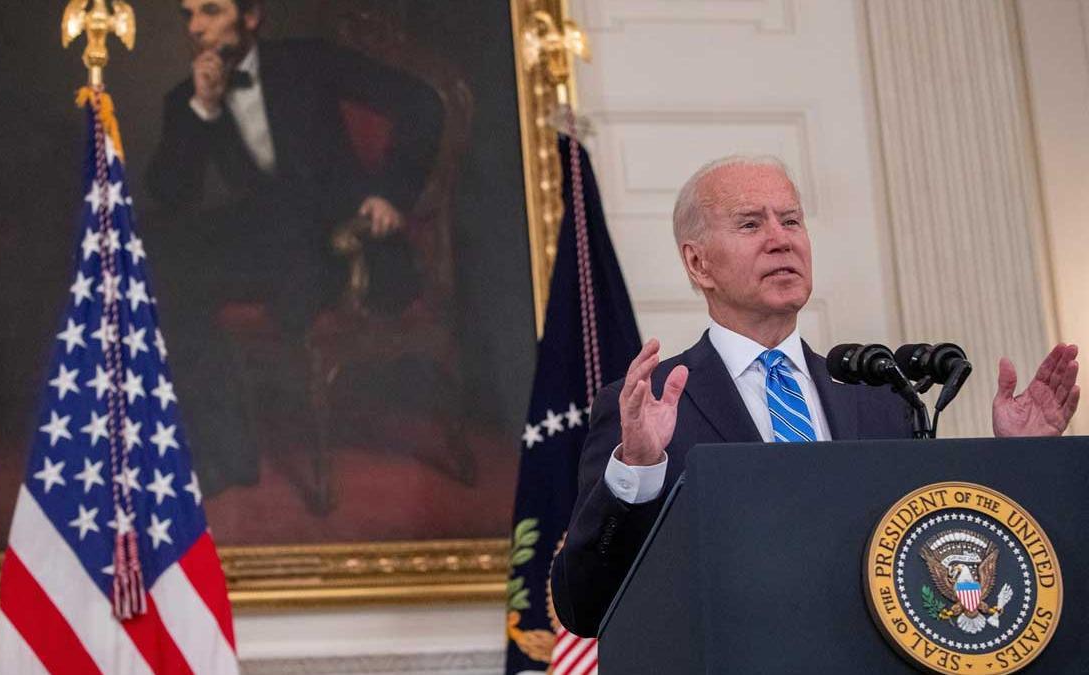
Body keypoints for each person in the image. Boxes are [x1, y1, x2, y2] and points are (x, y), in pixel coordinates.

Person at [550, 156, 1081, 637]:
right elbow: (585, 606)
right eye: (750, 224)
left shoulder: (879, 400)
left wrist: (1022, 462)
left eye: (791, 220)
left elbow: (937, 559)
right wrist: (638, 470)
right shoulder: (648, 406)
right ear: (698, 264)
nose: (781, 240)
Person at [144, 0, 443, 496]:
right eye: (188, 15)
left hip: (346, 242)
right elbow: (173, 196)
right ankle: (228, 455)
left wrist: (391, 192)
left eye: (211, 11)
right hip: (275, 243)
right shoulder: (187, 98)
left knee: (216, 259)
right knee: (164, 259)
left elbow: (422, 103)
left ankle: (227, 450)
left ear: (252, 17)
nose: (195, 27)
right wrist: (204, 109)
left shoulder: (309, 60)